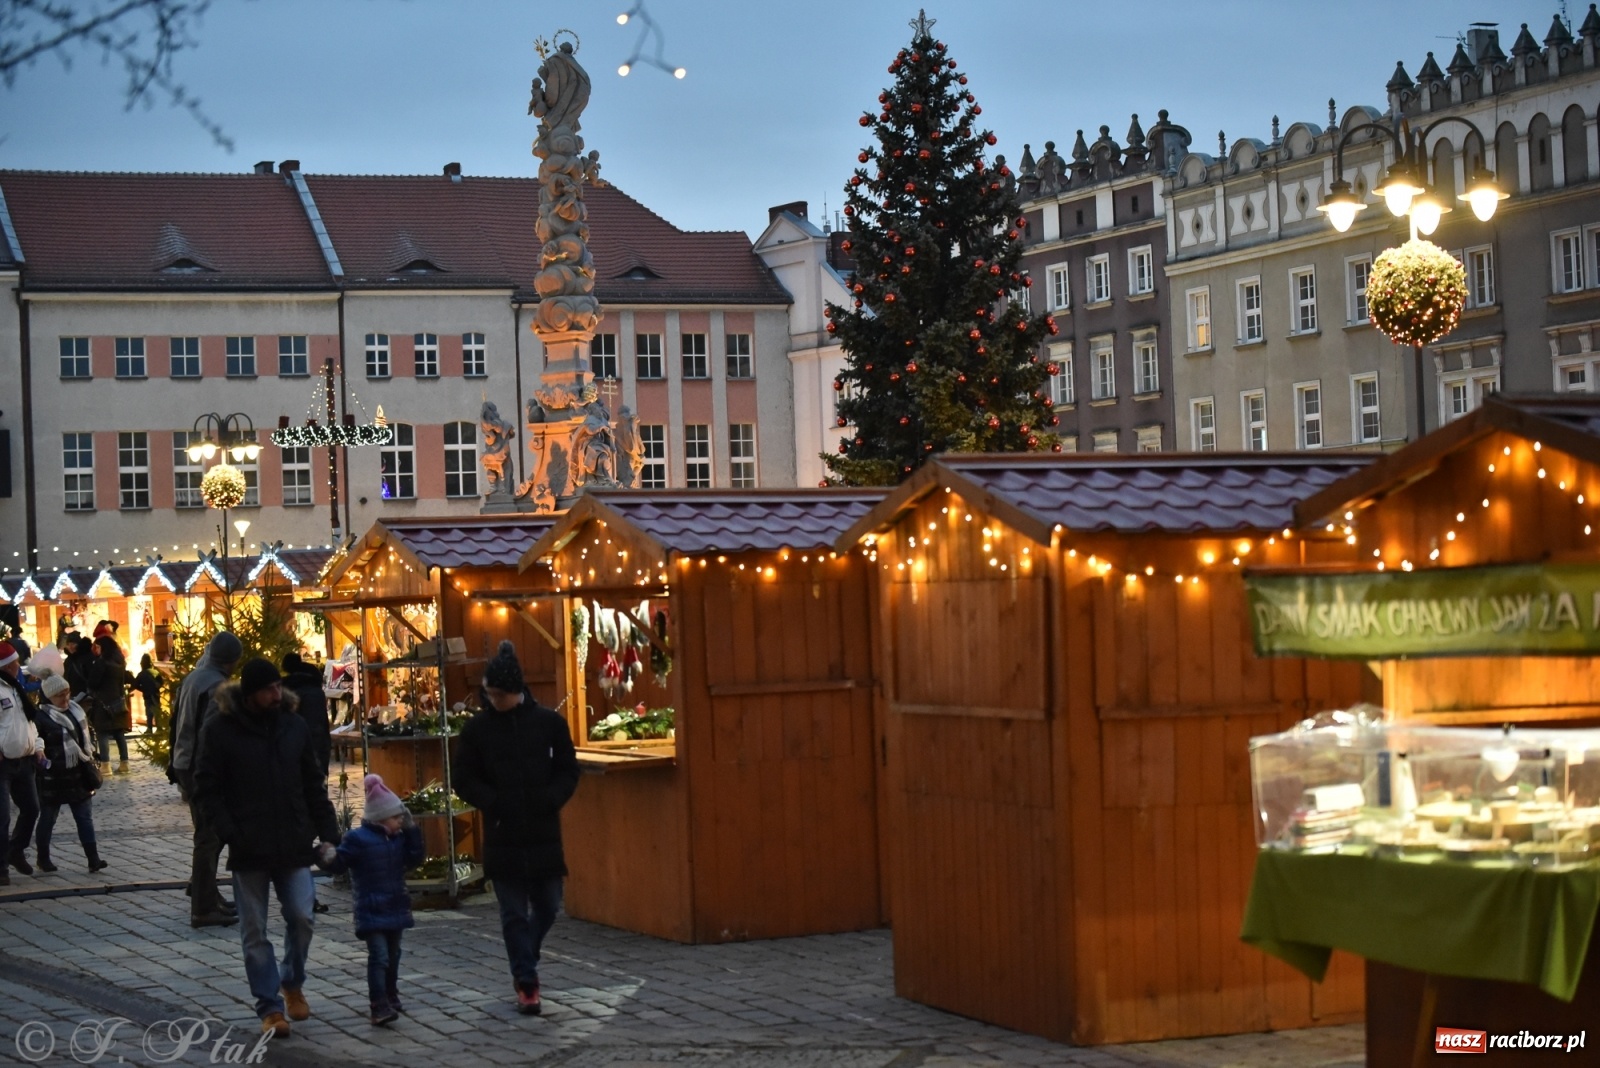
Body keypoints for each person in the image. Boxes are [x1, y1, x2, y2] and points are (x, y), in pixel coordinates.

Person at [195, 658, 341, 1039]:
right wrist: (230, 830)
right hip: (249, 847)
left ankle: (291, 981)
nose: (276, 694)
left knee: (302, 915)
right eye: (268, 689)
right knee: (254, 930)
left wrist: (328, 832)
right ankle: (270, 1007)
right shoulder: (222, 731)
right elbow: (206, 786)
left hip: (293, 842)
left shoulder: (293, 726)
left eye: (278, 687)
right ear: (250, 694)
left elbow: (313, 783)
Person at [451, 640, 579, 1016]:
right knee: (512, 913)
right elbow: (464, 778)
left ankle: (527, 955)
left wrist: (551, 797)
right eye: (488, 694)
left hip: (542, 829)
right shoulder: (477, 730)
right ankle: (526, 981)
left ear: (517, 691)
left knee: (549, 905)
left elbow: (567, 770)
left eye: (499, 694)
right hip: (502, 830)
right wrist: (494, 801)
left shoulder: (549, 724)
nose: (492, 700)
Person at [318, 774, 424, 1026]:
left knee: (394, 954)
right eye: (397, 817)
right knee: (379, 956)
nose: (401, 821)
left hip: (396, 906)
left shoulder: (398, 839)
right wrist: (328, 856)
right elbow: (340, 864)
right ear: (381, 817)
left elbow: (415, 858)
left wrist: (412, 831)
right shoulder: (358, 840)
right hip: (371, 909)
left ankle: (390, 994)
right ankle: (379, 1003)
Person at [171, 631, 242, 927]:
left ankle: (207, 894)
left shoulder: (194, 678)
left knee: (207, 833)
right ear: (233, 661)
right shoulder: (216, 686)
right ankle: (203, 905)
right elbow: (210, 734)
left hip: (185, 760)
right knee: (209, 837)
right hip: (199, 765)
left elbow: (177, 721)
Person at [34, 674, 104, 873]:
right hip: (53, 777)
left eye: (67, 693)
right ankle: (43, 858)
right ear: (49, 697)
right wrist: (43, 757)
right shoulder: (41, 717)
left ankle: (94, 859)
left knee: (84, 817)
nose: (65, 699)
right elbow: (36, 740)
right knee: (48, 818)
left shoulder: (76, 711)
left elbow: (85, 739)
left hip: (78, 775)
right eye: (59, 696)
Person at [280, 651, 331, 914]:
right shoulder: (315, 693)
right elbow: (321, 733)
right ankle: (304, 898)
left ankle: (301, 898)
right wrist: (322, 769)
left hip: (289, 776)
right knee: (304, 834)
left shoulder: (285, 696)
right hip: (310, 770)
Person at [1, 641, 45, 884]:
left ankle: (15, 850)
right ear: (7, 666)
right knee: (2, 817)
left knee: (31, 808)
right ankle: (1, 869)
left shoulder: (16, 689)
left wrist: (37, 747)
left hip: (24, 760)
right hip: (3, 762)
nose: (19, 666)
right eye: (16, 663)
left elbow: (28, 724)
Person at [85, 635, 131, 772]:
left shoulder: (101, 662)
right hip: (118, 701)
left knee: (102, 733)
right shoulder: (120, 662)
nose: (96, 650)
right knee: (119, 733)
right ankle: (125, 763)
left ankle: (105, 765)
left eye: (98, 647)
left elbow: (94, 682)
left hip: (103, 702)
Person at [132, 654, 163, 734]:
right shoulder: (155, 672)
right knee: (157, 711)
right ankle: (159, 728)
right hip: (156, 695)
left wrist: (143, 689)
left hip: (147, 696)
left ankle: (149, 729)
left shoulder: (141, 674)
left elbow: (135, 685)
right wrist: (156, 687)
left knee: (149, 713)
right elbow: (161, 682)